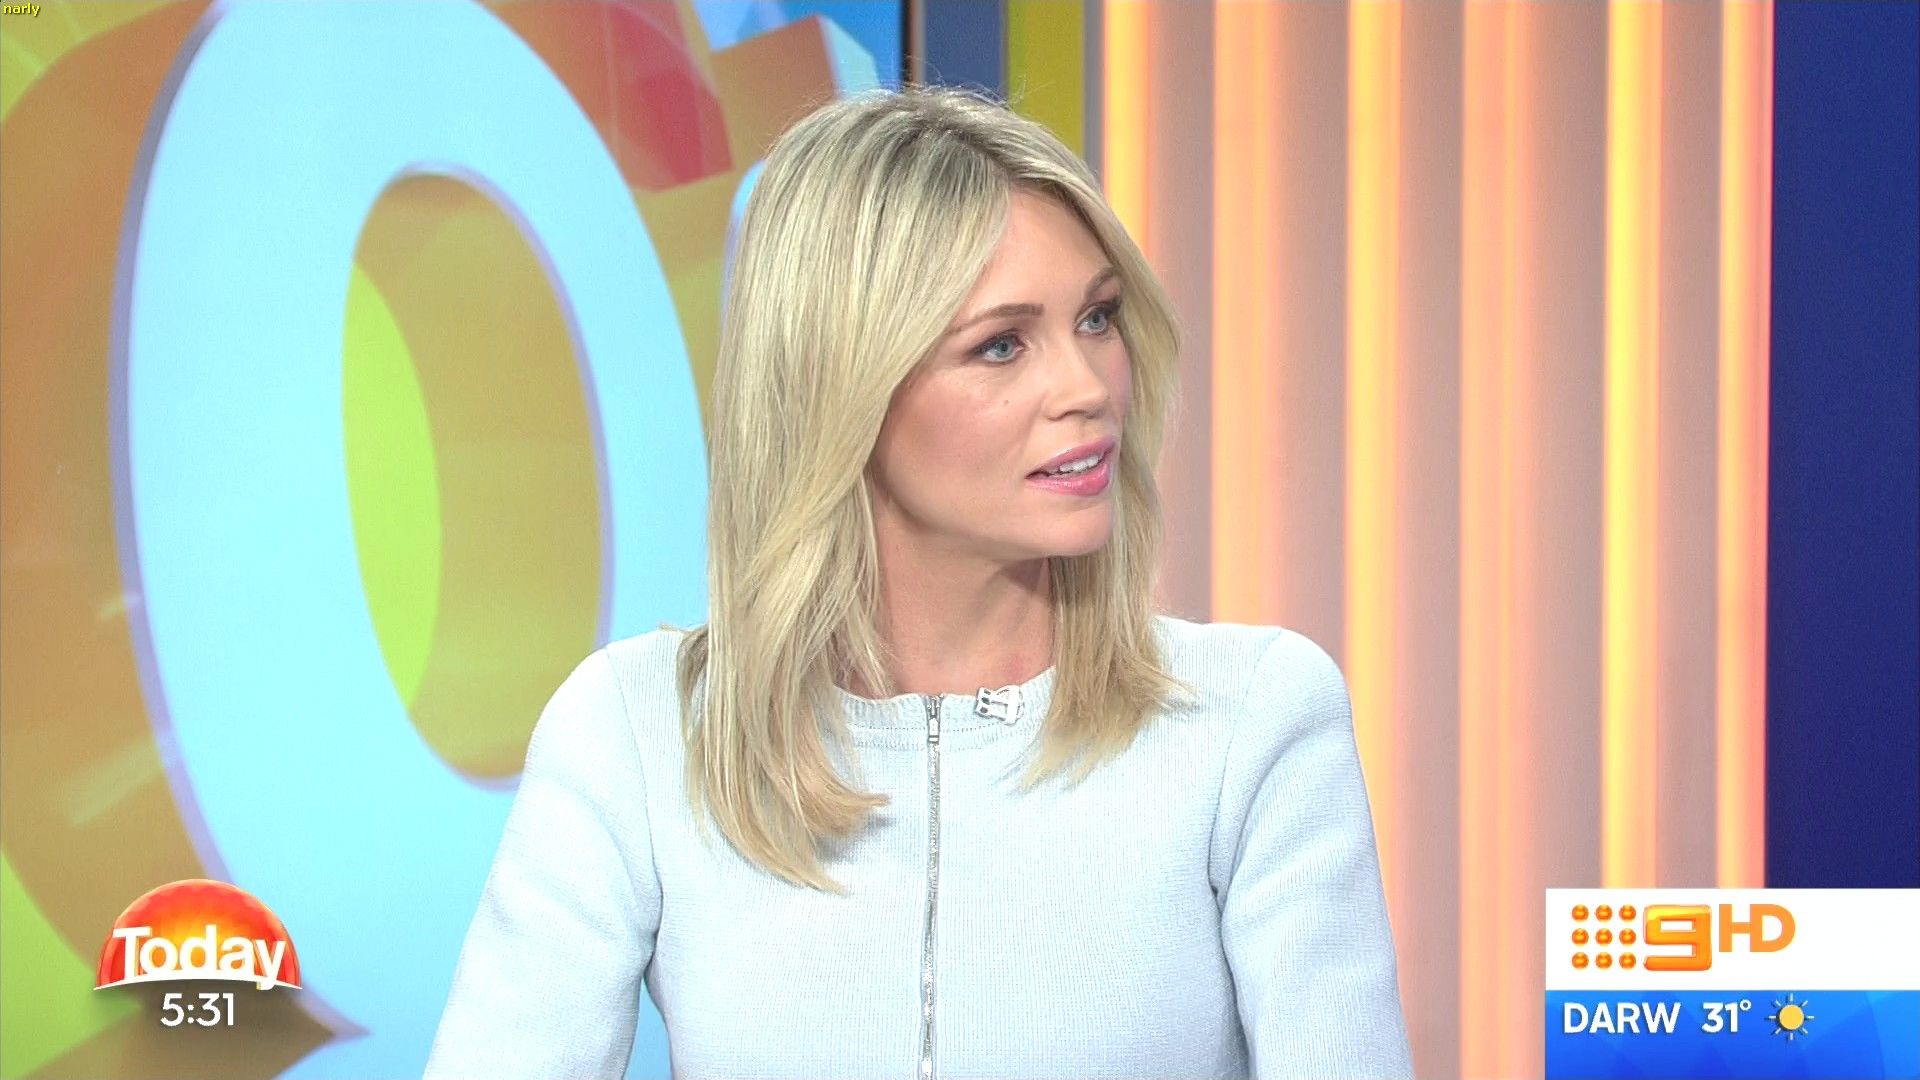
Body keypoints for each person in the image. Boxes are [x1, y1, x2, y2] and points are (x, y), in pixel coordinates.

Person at [424, 85, 1411, 1079]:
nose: (1086, 388)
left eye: (1098, 318)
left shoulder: (1250, 721)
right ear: (842, 385)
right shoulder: (640, 734)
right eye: (1001, 344)